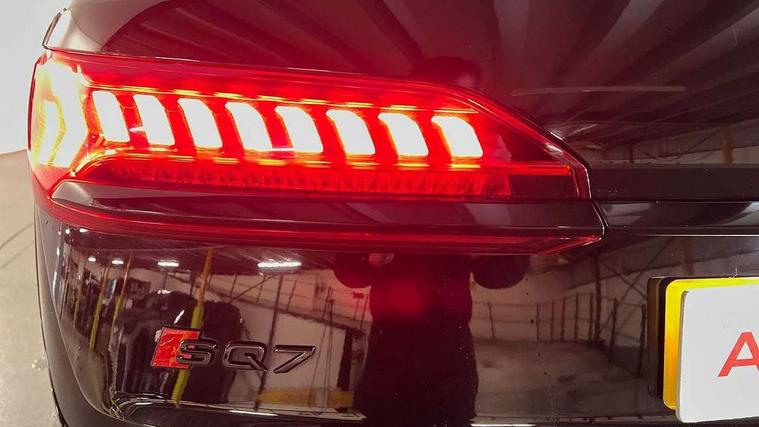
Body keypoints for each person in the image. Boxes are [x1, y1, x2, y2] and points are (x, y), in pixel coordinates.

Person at [334, 253, 529, 426]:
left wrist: (479, 252)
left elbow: (505, 271)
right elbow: (346, 268)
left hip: (442, 353)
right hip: (396, 355)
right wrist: (371, 260)